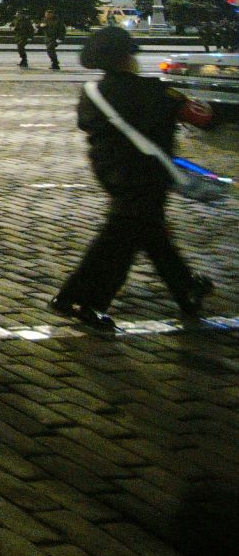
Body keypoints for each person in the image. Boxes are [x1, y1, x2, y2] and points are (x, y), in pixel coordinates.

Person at [50, 26, 216, 331]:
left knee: (150, 230)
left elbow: (89, 126)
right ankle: (80, 299)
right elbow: (202, 118)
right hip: (147, 173)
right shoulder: (156, 91)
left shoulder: (92, 93)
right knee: (119, 239)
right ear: (128, 58)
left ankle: (186, 288)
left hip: (110, 171)